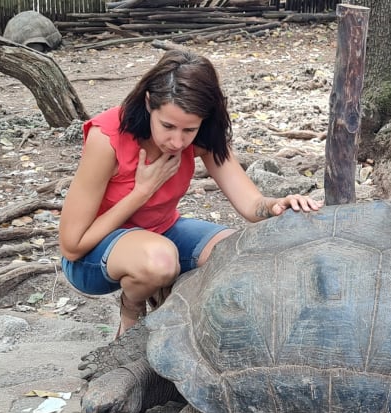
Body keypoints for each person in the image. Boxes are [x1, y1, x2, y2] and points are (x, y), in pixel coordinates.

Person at [58, 50, 321, 337]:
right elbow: (72, 246)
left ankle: (183, 320)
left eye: (189, 130)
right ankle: (131, 310)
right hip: (93, 258)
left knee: (239, 254)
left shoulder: (205, 136)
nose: (177, 141)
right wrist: (141, 191)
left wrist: (277, 205)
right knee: (159, 261)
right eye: (167, 126)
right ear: (149, 103)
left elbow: (251, 204)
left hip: (162, 233)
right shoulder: (107, 138)